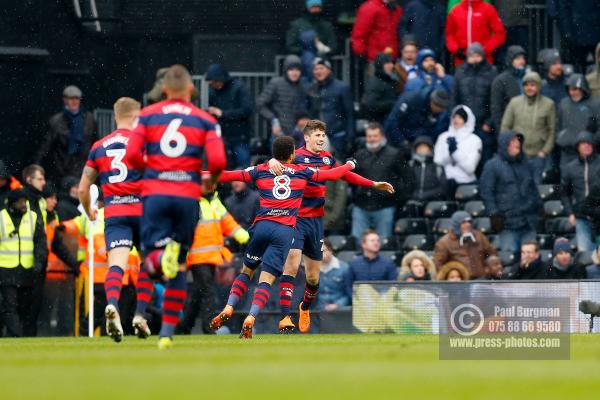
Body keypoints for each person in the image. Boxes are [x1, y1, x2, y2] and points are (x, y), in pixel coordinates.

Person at [210, 136, 359, 338]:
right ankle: (252, 316)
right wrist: (350, 164)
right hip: (283, 231)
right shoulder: (302, 172)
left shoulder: (261, 170)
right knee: (267, 279)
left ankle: (229, 307)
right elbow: (332, 175)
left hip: (261, 226)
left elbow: (226, 175)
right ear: (293, 154)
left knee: (246, 272)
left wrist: (192, 174)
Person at [267, 120, 393, 333]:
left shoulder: (327, 158)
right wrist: (271, 161)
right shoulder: (295, 156)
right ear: (306, 138)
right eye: (317, 135)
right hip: (295, 218)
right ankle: (286, 317)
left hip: (316, 221)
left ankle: (304, 307)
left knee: (313, 277)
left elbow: (345, 175)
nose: (321, 139)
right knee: (291, 262)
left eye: (323, 136)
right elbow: (274, 163)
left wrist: (372, 183)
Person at [134, 65, 227, 349]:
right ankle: (166, 334)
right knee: (180, 265)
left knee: (154, 261)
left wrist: (151, 171)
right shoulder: (204, 120)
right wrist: (209, 182)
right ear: (191, 90)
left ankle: (160, 258)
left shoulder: (147, 116)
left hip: (156, 194)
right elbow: (219, 161)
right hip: (187, 196)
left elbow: (131, 154)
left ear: (163, 90)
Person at [79, 97, 152, 343]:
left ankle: (113, 305)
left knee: (116, 265)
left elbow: (82, 188)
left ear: (115, 115)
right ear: (135, 116)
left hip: (115, 212)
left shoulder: (100, 146)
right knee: (149, 265)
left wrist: (90, 210)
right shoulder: (143, 142)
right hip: (143, 211)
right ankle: (140, 315)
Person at [179, 184, 249, 334]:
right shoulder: (193, 202)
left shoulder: (214, 202)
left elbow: (228, 223)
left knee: (199, 293)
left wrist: (245, 237)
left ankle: (183, 327)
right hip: (197, 256)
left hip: (210, 256)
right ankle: (209, 327)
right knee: (208, 291)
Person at [480, 132, 540, 255]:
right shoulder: (492, 165)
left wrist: (538, 205)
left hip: (528, 222)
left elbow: (533, 188)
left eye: (518, 141)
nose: (517, 143)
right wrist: (494, 214)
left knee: (530, 260)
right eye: (512, 141)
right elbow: (486, 192)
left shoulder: (526, 164)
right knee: (510, 260)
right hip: (507, 224)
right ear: (504, 144)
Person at [0, 189, 47, 337]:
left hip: (28, 271)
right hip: (6, 271)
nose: (23, 204)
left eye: (25, 201)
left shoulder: (33, 217)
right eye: (20, 202)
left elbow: (41, 243)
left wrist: (38, 262)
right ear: (11, 204)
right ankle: (15, 336)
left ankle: (20, 335)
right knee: (10, 306)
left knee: (25, 308)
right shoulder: (1, 217)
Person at [351, 123, 409, 243]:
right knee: (358, 242)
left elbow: (407, 179)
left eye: (375, 136)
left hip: (385, 206)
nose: (372, 139)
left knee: (383, 242)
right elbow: (351, 178)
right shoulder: (359, 155)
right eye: (369, 136)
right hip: (361, 205)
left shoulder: (394, 154)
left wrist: (395, 197)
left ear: (382, 137)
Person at [501, 71, 556, 184]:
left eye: (532, 85)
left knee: (535, 188)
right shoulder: (514, 103)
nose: (529, 88)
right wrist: (508, 149)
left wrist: (544, 152)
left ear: (538, 86)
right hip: (518, 155)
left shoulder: (548, 104)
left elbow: (552, 131)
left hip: (538, 156)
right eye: (526, 85)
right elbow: (505, 127)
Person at [35, 85, 97, 183]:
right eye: (71, 98)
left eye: (76, 98)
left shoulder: (89, 119)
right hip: (63, 169)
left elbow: (95, 143)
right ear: (65, 100)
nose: (74, 101)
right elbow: (45, 146)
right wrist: (37, 165)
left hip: (84, 167)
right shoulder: (56, 121)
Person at [205, 63, 254, 168]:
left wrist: (222, 113)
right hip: (224, 135)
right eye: (212, 82)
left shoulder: (239, 87)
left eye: (216, 81)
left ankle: (245, 184)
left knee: (243, 167)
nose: (214, 84)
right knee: (227, 167)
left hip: (239, 135)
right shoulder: (214, 90)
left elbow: (247, 110)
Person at [560, 132, 600, 252]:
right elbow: (564, 193)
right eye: (583, 144)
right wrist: (570, 213)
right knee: (585, 253)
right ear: (577, 147)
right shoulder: (570, 168)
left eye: (589, 143)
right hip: (582, 218)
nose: (586, 146)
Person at [308, 58, 354, 157]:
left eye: (321, 68)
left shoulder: (342, 87)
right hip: (318, 136)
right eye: (316, 69)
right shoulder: (312, 89)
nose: (318, 71)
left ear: (329, 70)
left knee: (338, 166)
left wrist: (350, 136)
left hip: (338, 135)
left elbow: (350, 113)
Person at [257, 55, 309, 141]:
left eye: (297, 70)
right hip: (280, 134)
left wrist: (304, 119)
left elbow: (306, 108)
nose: (294, 72)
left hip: (299, 134)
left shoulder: (303, 86)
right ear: (286, 70)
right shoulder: (276, 83)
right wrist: (273, 120)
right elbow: (260, 104)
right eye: (291, 69)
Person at [432, 211, 496, 279]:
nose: (467, 224)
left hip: (481, 279)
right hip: (460, 283)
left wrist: (488, 268)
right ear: (456, 225)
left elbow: (492, 254)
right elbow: (437, 265)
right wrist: (451, 277)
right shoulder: (444, 243)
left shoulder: (479, 236)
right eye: (463, 222)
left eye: (469, 222)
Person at [434, 105, 481, 196]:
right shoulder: (443, 137)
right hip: (445, 184)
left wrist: (455, 152)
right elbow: (437, 161)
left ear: (466, 120)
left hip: (466, 183)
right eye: (454, 117)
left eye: (460, 117)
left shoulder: (475, 140)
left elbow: (470, 168)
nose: (456, 120)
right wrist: (449, 154)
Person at [556, 74, 600, 171]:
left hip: (588, 153)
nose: (572, 92)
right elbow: (557, 125)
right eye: (570, 89)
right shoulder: (563, 103)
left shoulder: (595, 104)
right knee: (567, 183)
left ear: (583, 88)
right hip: (567, 153)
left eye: (575, 89)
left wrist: (590, 141)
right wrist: (561, 138)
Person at [452, 43, 497, 135]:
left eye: (477, 56)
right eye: (471, 56)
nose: (475, 59)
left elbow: (495, 101)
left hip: (484, 124)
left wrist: (489, 122)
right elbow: (454, 98)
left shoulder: (492, 72)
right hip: (464, 123)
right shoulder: (460, 72)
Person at [285, 0, 337, 79]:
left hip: (323, 60)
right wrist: (305, 51)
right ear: (307, 8)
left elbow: (333, 46)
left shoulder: (326, 26)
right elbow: (290, 46)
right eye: (313, 7)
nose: (316, 10)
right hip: (302, 62)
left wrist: (323, 50)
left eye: (318, 7)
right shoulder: (297, 25)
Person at [445, 0, 506, 66]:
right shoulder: (455, 10)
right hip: (462, 61)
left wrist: (485, 49)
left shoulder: (488, 9)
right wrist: (456, 49)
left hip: (484, 60)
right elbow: (449, 34)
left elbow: (500, 33)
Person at [384, 87, 451, 146]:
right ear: (433, 103)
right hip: (396, 140)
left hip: (415, 143)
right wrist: (403, 143)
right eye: (441, 108)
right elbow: (392, 123)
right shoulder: (411, 100)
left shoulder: (438, 112)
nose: (442, 111)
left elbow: (431, 131)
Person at [346, 230, 398, 300]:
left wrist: (384, 300)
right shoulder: (354, 264)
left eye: (378, 241)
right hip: (360, 304)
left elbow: (393, 286)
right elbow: (348, 286)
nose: (376, 243)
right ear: (363, 244)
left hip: (382, 304)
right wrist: (355, 299)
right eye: (372, 241)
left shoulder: (388, 263)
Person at [490, 45, 527, 132]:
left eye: (523, 58)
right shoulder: (500, 80)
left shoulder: (528, 77)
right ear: (510, 60)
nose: (521, 61)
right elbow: (496, 110)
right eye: (518, 58)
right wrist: (501, 132)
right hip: (510, 127)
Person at [556, 0, 600, 71]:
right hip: (579, 33)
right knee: (579, 64)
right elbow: (564, 10)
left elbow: (564, 10)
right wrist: (568, 32)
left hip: (586, 31)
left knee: (583, 64)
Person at [361, 53, 400, 124]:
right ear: (380, 65)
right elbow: (371, 104)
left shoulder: (390, 80)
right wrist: (393, 104)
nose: (391, 65)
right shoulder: (374, 83)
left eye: (392, 62)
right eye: (387, 63)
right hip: (380, 122)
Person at [409, 136, 447, 202]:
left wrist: (425, 195)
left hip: (432, 202)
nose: (421, 149)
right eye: (419, 147)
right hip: (413, 202)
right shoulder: (410, 166)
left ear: (430, 149)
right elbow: (405, 185)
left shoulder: (438, 167)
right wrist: (414, 195)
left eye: (424, 146)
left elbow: (443, 189)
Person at [317, 239, 350, 310]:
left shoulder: (344, 268)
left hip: (340, 309)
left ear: (330, 250)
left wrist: (338, 304)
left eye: (324, 251)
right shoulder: (312, 269)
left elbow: (349, 293)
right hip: (319, 310)